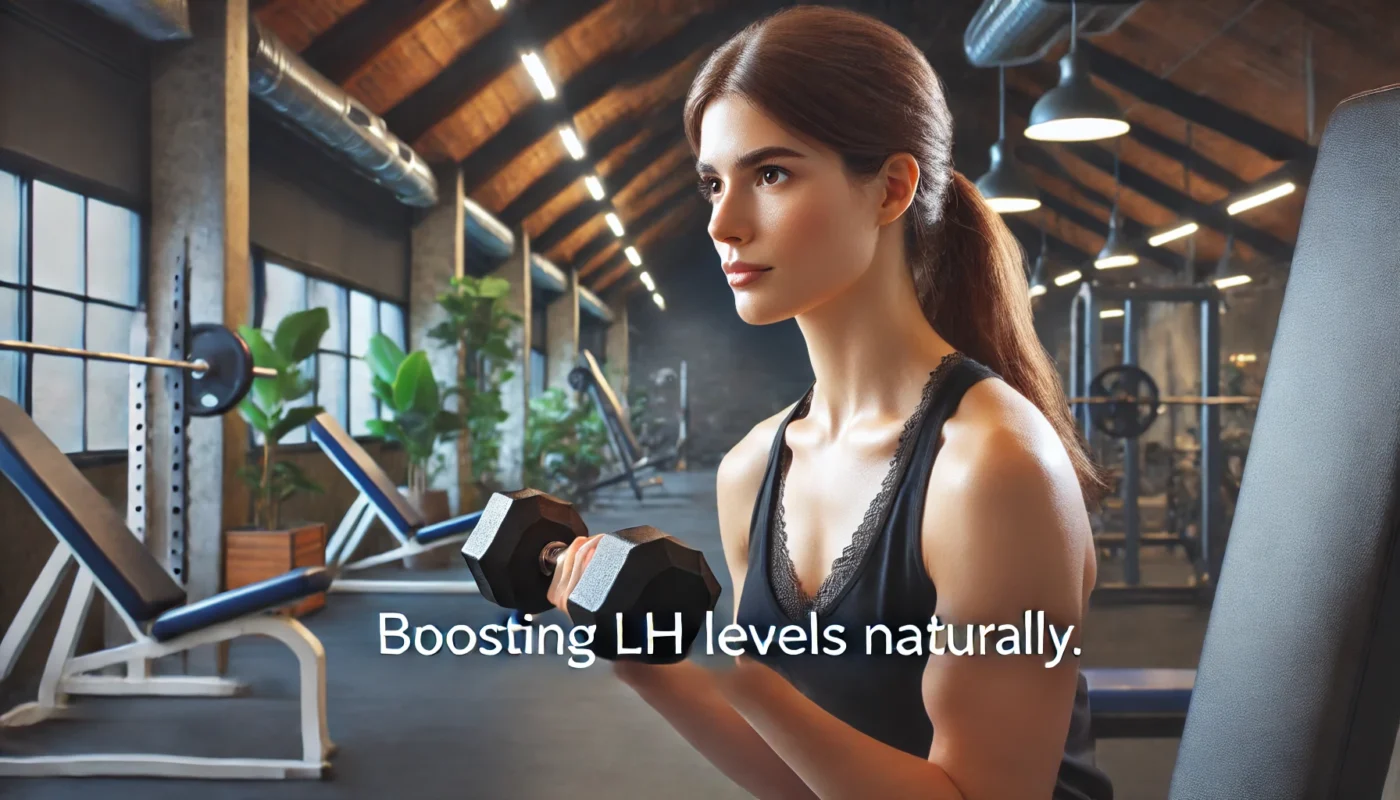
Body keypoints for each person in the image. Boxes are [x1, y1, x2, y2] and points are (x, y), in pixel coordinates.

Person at [546, 6, 1113, 799]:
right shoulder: (750, 470)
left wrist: (730, 668)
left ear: (889, 189)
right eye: (714, 182)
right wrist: (650, 666)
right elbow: (799, 779)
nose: (723, 222)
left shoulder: (992, 467)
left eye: (770, 174)